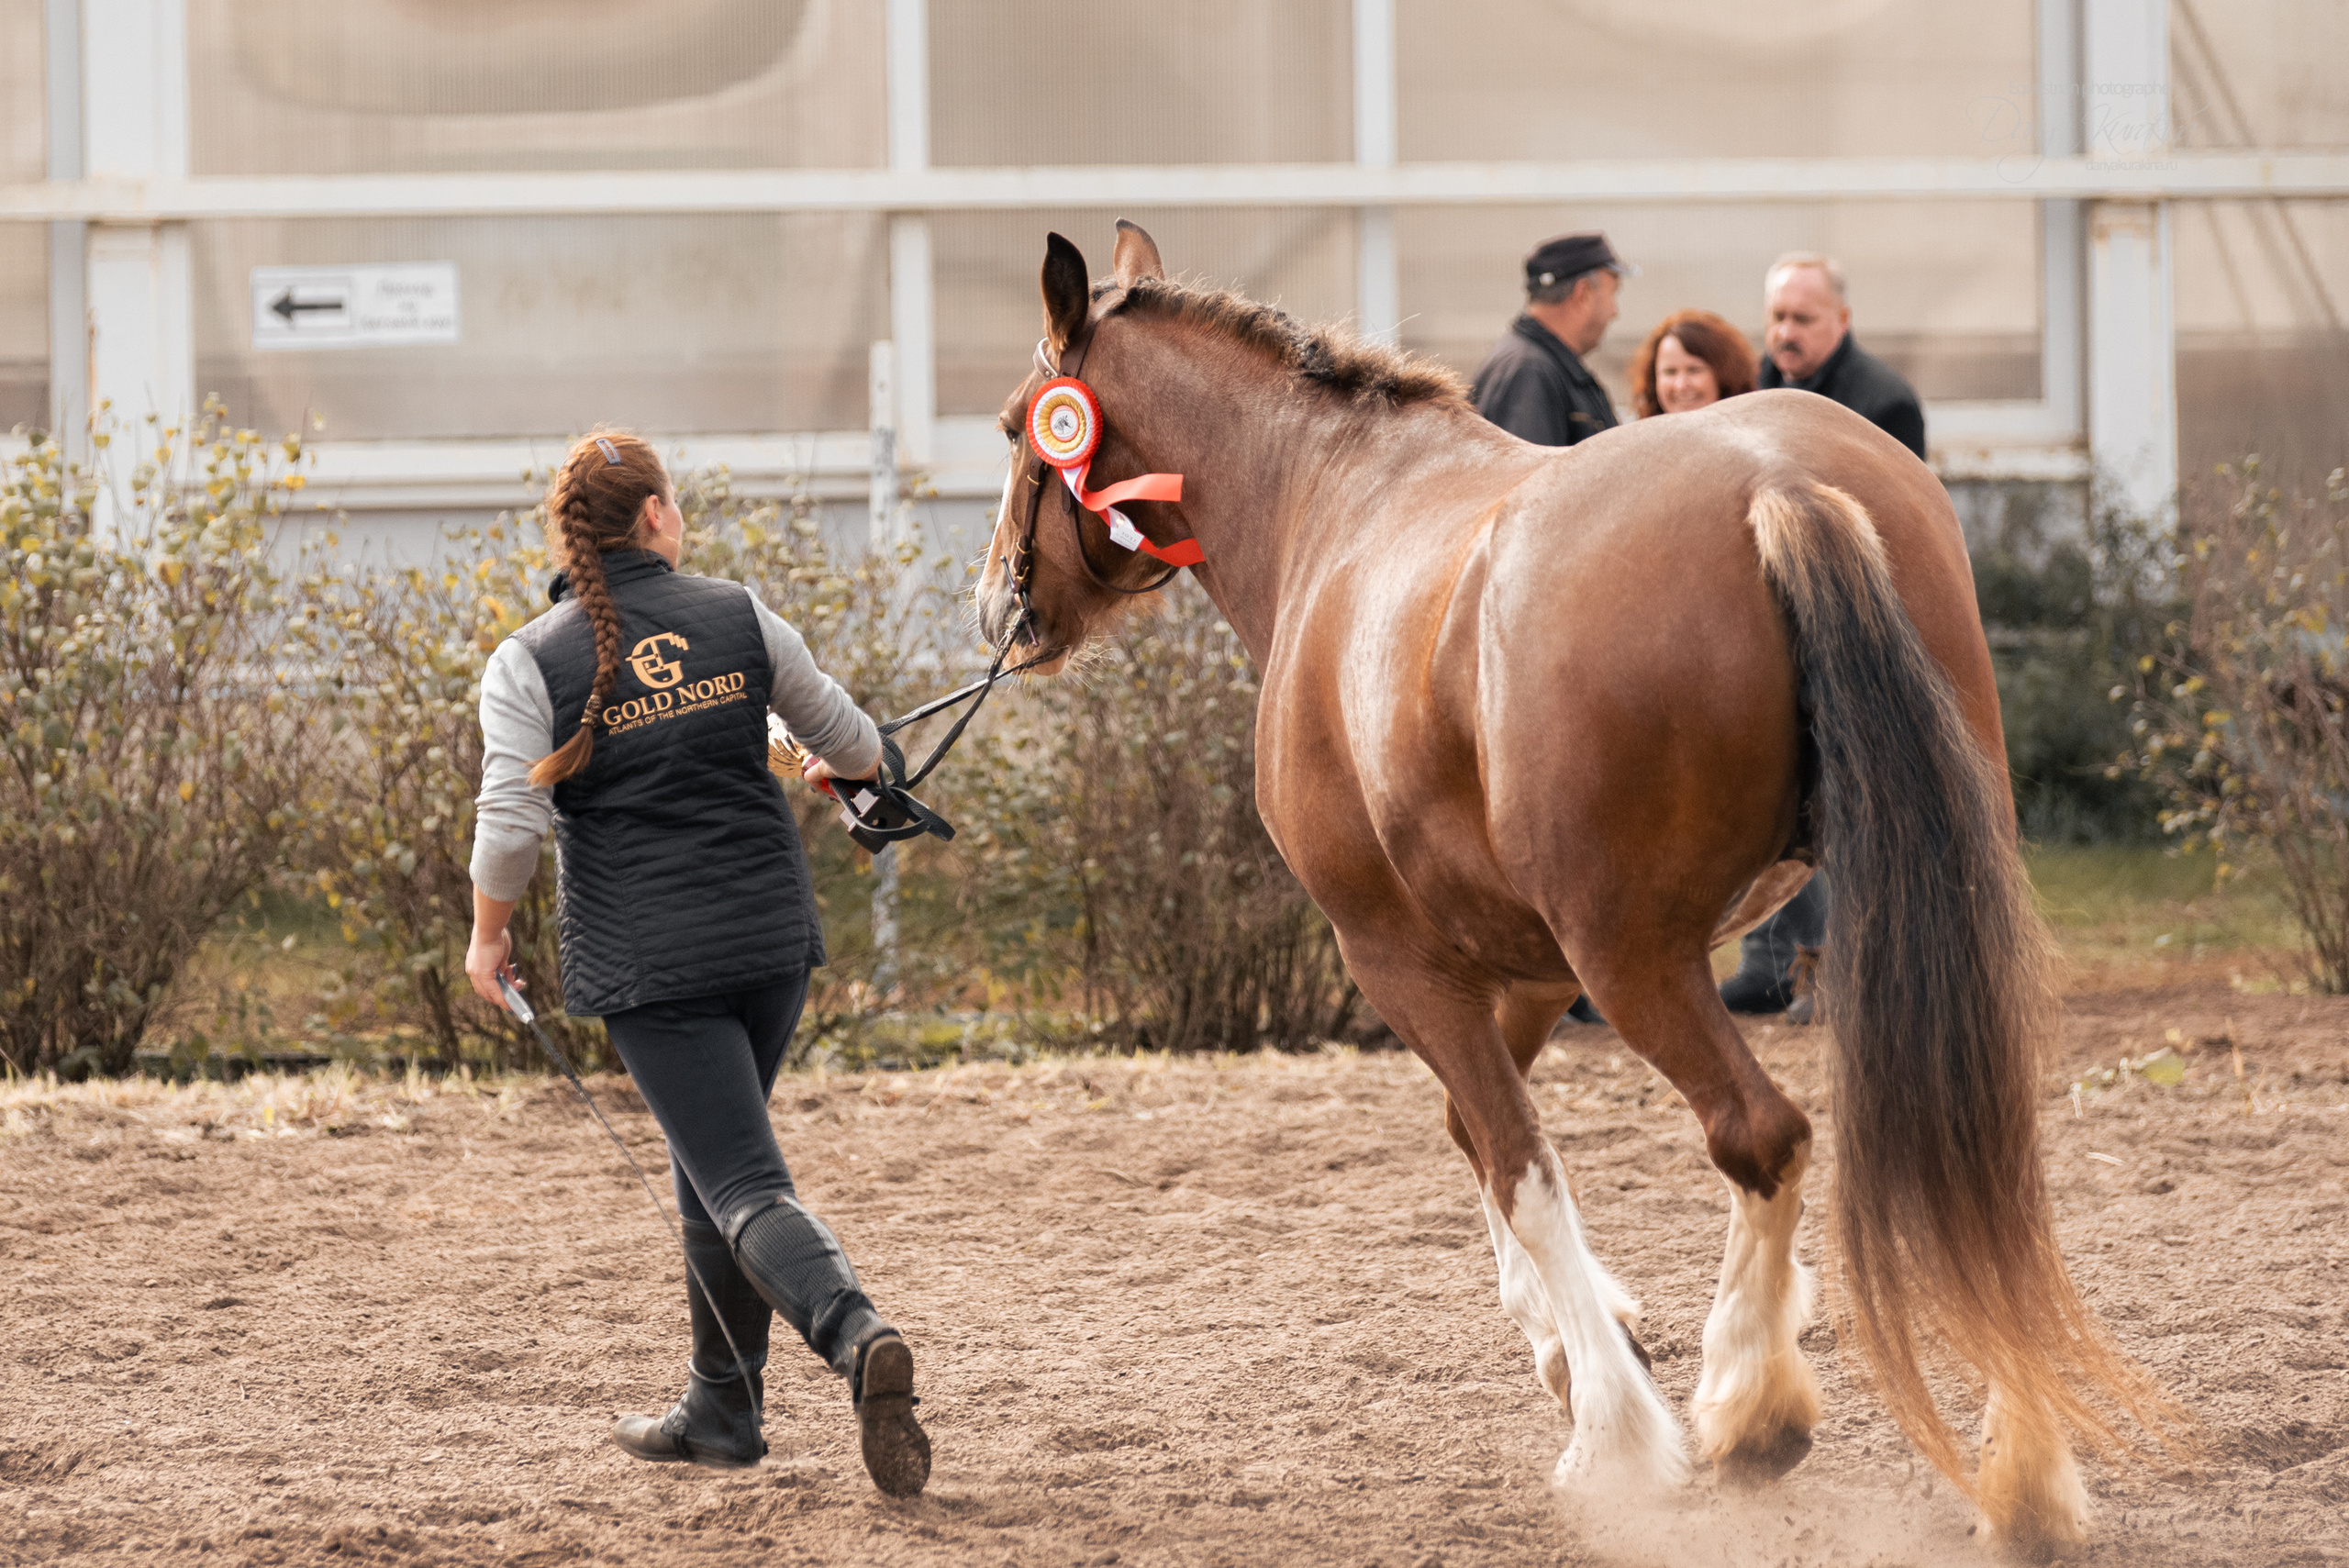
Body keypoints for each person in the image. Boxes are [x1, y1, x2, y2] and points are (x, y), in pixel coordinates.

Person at [462, 430, 930, 1495]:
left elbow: (509, 822)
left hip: (651, 962)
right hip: (771, 946)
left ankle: (858, 1334)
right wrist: (836, 761)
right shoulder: (741, 616)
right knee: (708, 1161)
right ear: (660, 518)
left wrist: (489, 935)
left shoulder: (529, 657)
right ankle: (722, 1405)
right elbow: (856, 745)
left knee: (737, 1176)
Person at [1725, 254, 1928, 1018]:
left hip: (1856, 636)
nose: (1785, 333)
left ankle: (1850, 969)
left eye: (1802, 319)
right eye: (1777, 317)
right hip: (1776, 633)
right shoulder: (1759, 392)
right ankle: (1771, 961)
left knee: (1848, 802)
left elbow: (1898, 531)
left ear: (1841, 321)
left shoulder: (1883, 402)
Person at [1469, 231, 1633, 447]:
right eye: (1613, 293)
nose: (1614, 312)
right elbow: (1530, 477)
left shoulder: (1539, 366)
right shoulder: (1527, 373)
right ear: (1583, 293)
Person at [1628, 308, 1758, 417]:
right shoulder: (1637, 444)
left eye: (1694, 370)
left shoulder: (1756, 442)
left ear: (1725, 375)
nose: (1681, 385)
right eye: (1670, 372)